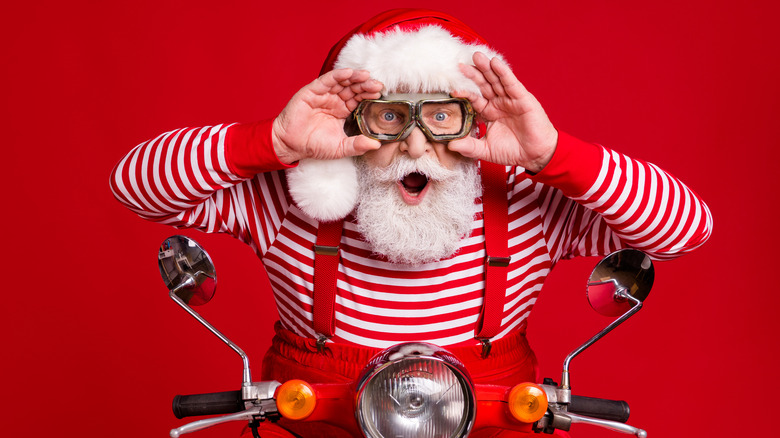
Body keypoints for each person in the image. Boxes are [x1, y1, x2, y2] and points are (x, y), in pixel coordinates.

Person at [110, 8, 712, 437]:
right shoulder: (292, 197)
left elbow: (686, 229)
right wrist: (271, 140)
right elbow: (134, 187)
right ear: (353, 125)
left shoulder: (529, 200)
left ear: (472, 123)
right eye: (391, 117)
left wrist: (553, 155)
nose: (418, 144)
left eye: (443, 117)